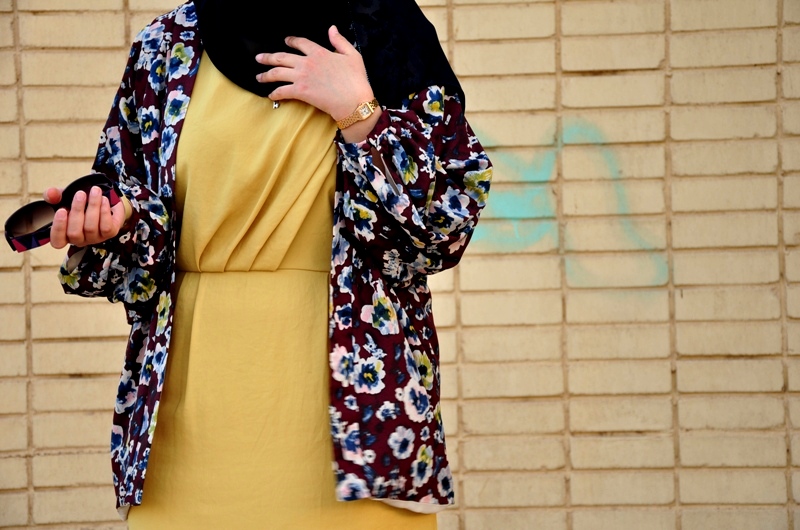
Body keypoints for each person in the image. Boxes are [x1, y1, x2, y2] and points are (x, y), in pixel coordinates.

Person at [45, 1, 492, 528]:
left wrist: (360, 113)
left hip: (356, 423)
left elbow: (444, 225)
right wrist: (111, 223)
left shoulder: (384, 31)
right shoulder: (167, 44)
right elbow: (139, 215)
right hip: (193, 404)